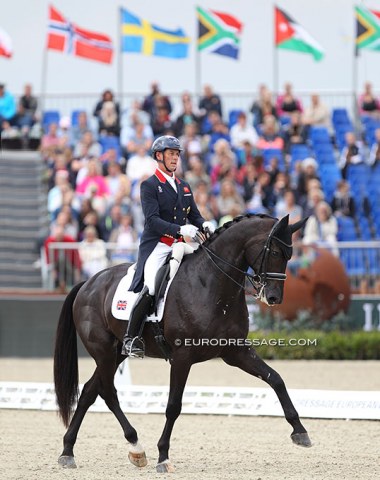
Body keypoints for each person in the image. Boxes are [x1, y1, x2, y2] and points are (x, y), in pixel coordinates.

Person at [122, 135, 215, 358]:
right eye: (171, 154)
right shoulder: (150, 185)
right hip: (158, 245)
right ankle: (131, 338)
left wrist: (206, 224)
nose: (175, 158)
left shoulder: (183, 186)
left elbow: (194, 216)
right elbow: (152, 221)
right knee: (152, 286)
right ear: (159, 156)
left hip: (181, 244)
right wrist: (179, 230)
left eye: (177, 154)